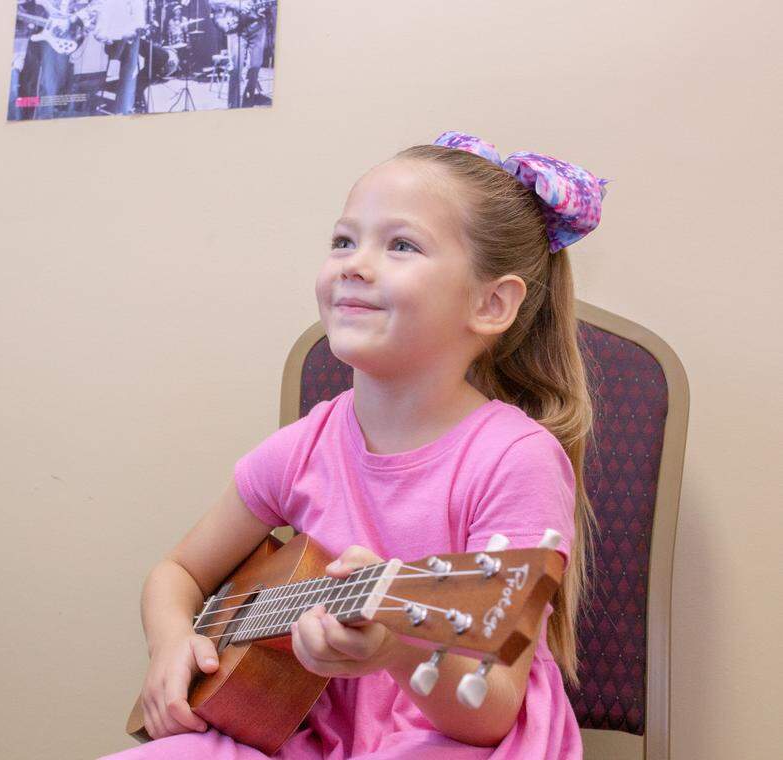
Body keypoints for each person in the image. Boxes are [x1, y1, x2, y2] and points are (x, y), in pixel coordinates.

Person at [99, 130, 611, 759]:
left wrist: (400, 648)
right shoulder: (303, 446)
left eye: (401, 245)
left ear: (491, 302)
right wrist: (172, 642)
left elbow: (491, 712)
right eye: (344, 241)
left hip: (454, 739)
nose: (354, 264)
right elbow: (176, 572)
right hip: (307, 731)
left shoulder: (516, 460)